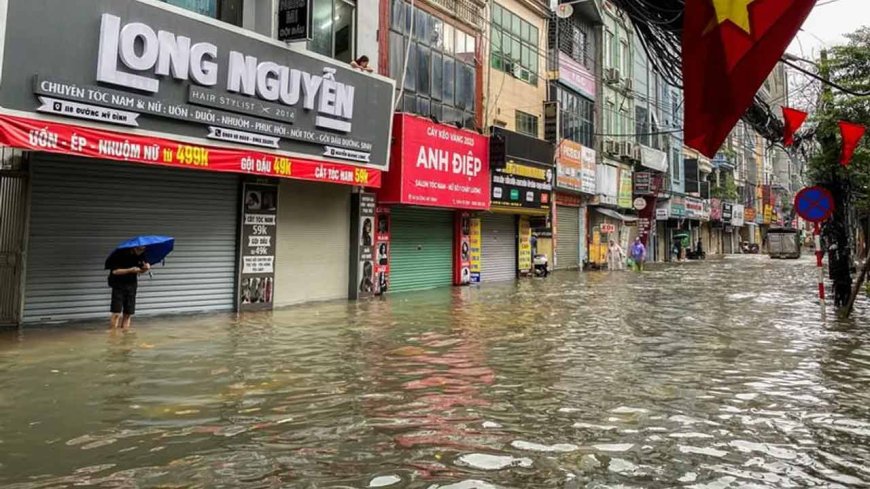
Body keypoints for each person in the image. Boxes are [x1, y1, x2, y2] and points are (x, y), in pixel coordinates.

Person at [108, 246, 150, 329]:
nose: (141, 251)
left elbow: (141, 270)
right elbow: (115, 271)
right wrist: (130, 270)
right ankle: (113, 336)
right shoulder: (119, 254)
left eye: (143, 249)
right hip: (118, 285)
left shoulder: (141, 255)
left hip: (132, 285)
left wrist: (146, 268)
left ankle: (125, 336)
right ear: (134, 247)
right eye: (140, 249)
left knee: (128, 313)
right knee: (116, 313)